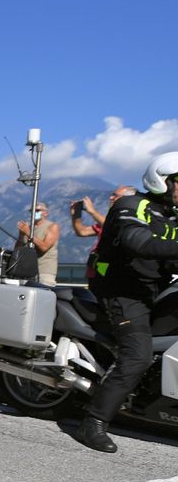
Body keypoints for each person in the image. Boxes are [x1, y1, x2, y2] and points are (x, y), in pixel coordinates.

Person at [78, 152, 178, 452]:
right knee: (138, 355)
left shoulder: (173, 216)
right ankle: (93, 422)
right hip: (121, 291)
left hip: (154, 290)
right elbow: (138, 242)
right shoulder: (130, 205)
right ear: (163, 181)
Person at [17, 201, 60, 286]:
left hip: (44, 271)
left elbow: (44, 247)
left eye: (37, 210)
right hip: (26, 271)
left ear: (45, 213)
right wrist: (21, 235)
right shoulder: (28, 228)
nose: (34, 213)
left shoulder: (52, 226)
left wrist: (29, 233)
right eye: (31, 211)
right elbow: (18, 250)